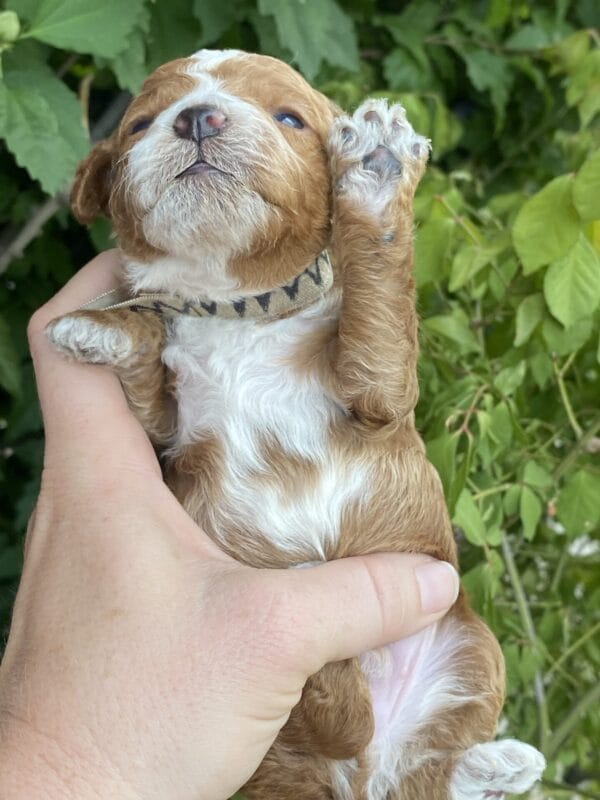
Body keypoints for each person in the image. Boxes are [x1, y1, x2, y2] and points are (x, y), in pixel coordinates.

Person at [0, 251, 459, 800]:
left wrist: (67, 761)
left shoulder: (324, 286)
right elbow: (169, 429)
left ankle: (442, 777)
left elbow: (382, 379)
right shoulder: (170, 301)